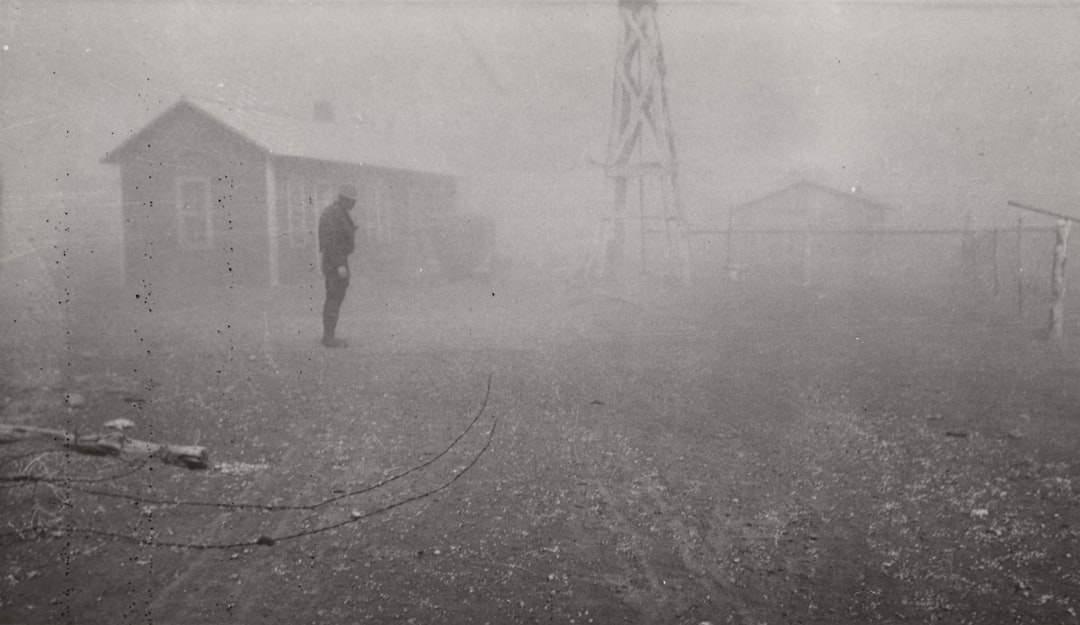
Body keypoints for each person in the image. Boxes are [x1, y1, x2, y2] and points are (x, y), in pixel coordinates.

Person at [318, 184, 358, 348]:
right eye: (352, 200)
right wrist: (340, 265)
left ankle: (329, 335)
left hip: (336, 260)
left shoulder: (338, 213)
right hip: (335, 262)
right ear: (345, 199)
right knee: (334, 298)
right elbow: (332, 242)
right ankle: (329, 337)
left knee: (335, 298)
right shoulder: (334, 214)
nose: (354, 204)